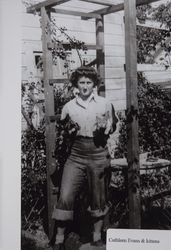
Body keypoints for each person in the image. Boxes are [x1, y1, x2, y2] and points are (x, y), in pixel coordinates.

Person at [52, 66, 118, 249]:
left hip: (98, 153)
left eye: (89, 82)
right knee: (65, 195)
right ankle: (58, 240)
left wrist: (107, 126)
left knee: (98, 197)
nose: (85, 86)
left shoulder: (105, 103)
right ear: (76, 84)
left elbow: (113, 127)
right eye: (81, 82)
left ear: (94, 84)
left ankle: (96, 237)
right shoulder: (68, 106)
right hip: (76, 154)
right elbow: (64, 132)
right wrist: (68, 130)